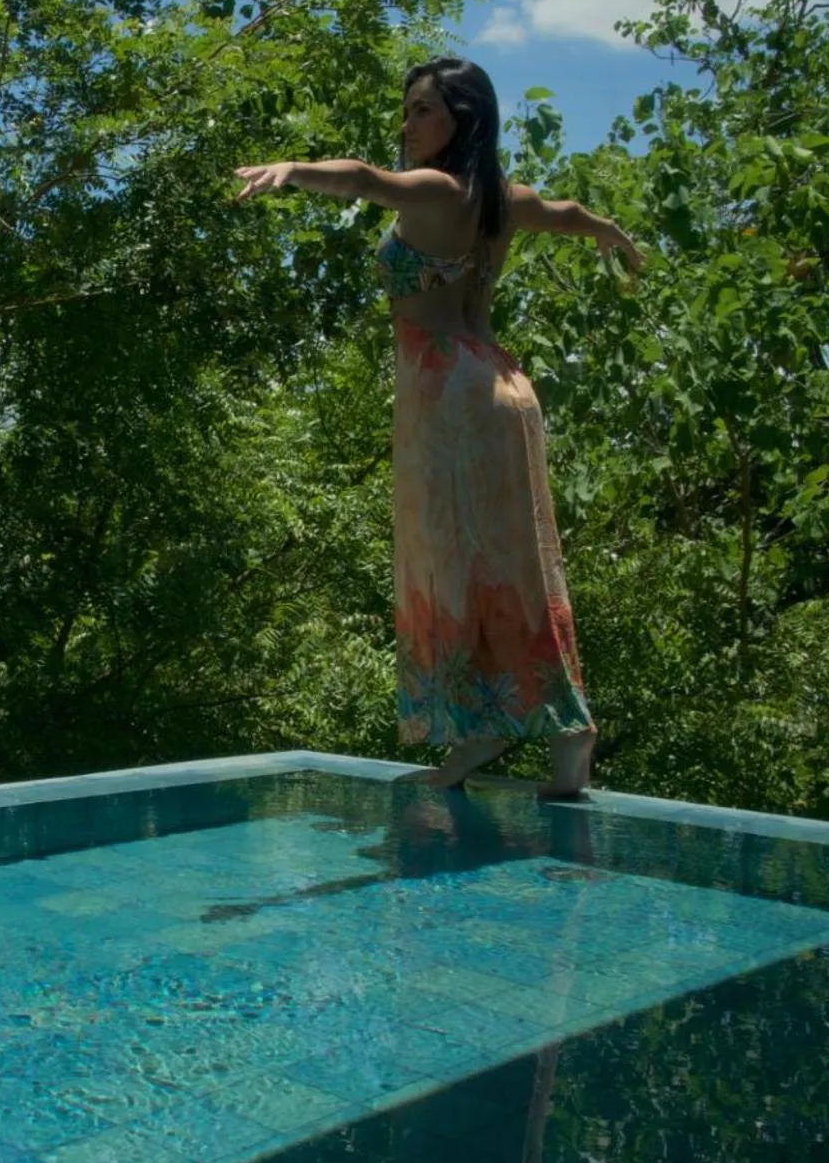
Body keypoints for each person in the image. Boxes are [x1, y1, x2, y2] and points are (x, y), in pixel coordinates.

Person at [231, 57, 642, 800]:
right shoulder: (501, 200)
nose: (408, 124)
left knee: (449, 564)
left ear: (464, 119)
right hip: (503, 387)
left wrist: (292, 167)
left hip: (449, 398)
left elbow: (362, 177)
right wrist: (613, 235)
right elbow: (571, 212)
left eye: (423, 110)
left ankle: (492, 721)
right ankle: (558, 731)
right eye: (409, 108)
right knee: (516, 564)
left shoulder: (436, 190)